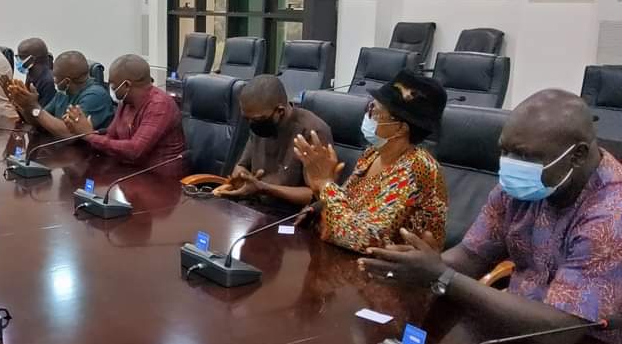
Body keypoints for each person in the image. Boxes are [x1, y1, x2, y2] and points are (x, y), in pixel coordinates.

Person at [358, 90, 622, 344]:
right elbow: (471, 257)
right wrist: (415, 268)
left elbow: (561, 332)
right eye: (504, 151)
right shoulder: (523, 186)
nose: (510, 164)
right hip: (513, 334)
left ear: (577, 155)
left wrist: (442, 276)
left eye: (523, 155)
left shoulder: (611, 213)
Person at [293, 70, 448, 252]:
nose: (368, 115)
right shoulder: (372, 154)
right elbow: (347, 210)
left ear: (400, 128)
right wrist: (319, 202)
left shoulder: (417, 168)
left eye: (376, 111)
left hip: (396, 274)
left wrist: (326, 184)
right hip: (349, 261)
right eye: (370, 108)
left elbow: (366, 239)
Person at [214, 76, 332, 212]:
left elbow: (317, 195)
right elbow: (242, 167)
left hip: (292, 217)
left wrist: (263, 188)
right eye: (247, 119)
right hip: (254, 208)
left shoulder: (312, 132)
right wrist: (241, 177)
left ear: (280, 111)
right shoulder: (259, 124)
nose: (251, 124)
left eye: (256, 119)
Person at [63, 54, 186, 176]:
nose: (111, 88)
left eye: (112, 85)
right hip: (131, 173)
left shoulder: (159, 105)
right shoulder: (126, 103)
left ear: (127, 85)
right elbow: (111, 137)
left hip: (161, 182)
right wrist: (82, 129)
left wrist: (89, 136)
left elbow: (135, 150)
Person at [3, 50, 115, 139]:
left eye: (55, 76)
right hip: (63, 153)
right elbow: (39, 121)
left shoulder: (95, 96)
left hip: (89, 158)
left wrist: (35, 107)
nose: (53, 79)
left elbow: (69, 134)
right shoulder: (63, 93)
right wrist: (24, 105)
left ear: (66, 81)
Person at [15, 38, 56, 107]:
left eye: (21, 57)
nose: (18, 61)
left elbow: (41, 114)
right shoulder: (30, 73)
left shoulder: (49, 82)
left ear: (31, 60)